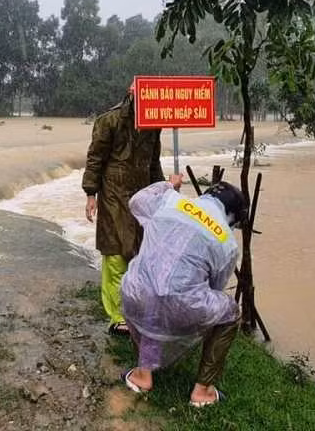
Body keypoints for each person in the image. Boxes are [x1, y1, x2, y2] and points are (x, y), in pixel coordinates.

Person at [119, 176, 247, 407]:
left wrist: (169, 184)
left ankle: (142, 375)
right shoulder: (227, 243)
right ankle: (202, 391)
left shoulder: (170, 200)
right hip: (181, 309)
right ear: (232, 216)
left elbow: (136, 202)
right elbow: (214, 288)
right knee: (230, 312)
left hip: (134, 295)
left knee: (153, 291)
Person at [82, 83, 165, 336]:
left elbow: (153, 162)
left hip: (141, 195)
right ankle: (118, 316)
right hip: (114, 195)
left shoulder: (153, 123)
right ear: (131, 94)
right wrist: (90, 194)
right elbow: (95, 158)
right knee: (116, 252)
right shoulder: (110, 120)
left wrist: (162, 193)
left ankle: (135, 307)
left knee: (138, 251)